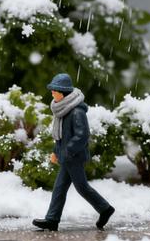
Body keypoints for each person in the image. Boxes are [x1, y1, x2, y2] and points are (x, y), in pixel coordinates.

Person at [32, 73, 115, 232]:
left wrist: (67, 151)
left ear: (62, 93)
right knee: (60, 188)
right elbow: (61, 137)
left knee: (81, 187)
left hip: (74, 157)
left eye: (54, 90)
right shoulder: (62, 110)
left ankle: (105, 209)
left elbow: (82, 136)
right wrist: (57, 152)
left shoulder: (77, 111)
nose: (52, 93)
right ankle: (52, 220)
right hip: (66, 157)